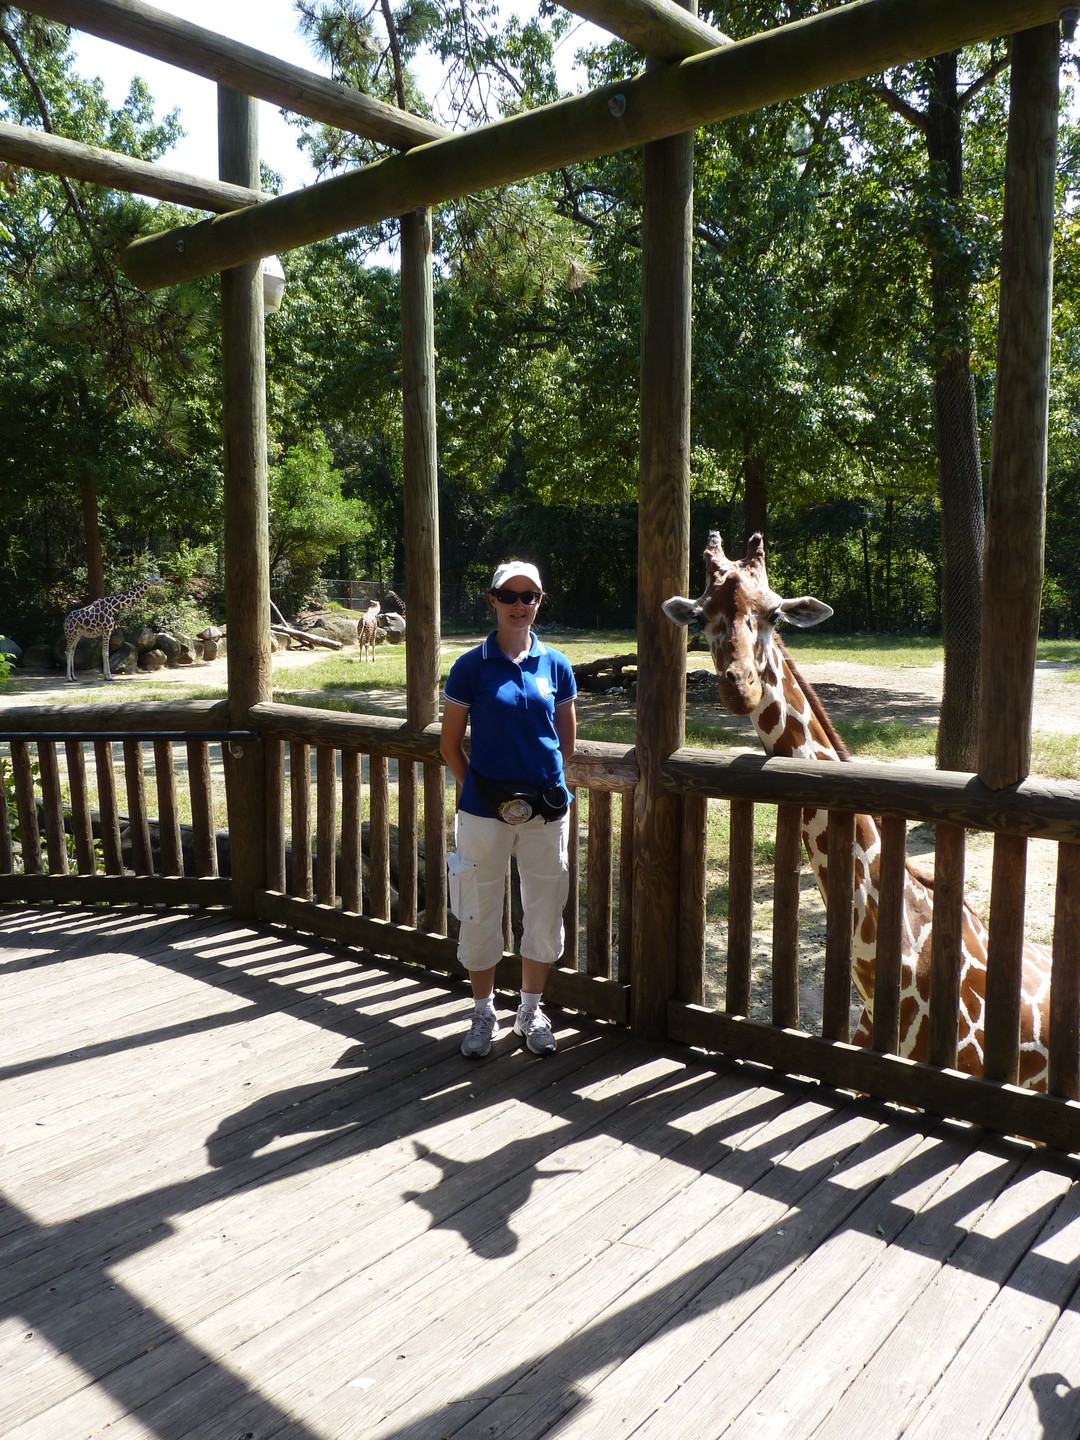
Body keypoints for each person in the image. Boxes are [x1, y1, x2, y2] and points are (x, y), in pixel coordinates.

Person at [440, 560, 577, 1059]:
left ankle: (530, 1011)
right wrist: (482, 793)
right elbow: (450, 745)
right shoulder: (469, 666)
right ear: (493, 600)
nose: (520, 605)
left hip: (546, 812)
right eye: (510, 595)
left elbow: (565, 741)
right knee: (477, 908)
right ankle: (482, 1012)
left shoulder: (556, 664)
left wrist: (539, 791)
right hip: (482, 813)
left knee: (543, 909)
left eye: (530, 596)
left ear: (539, 601)